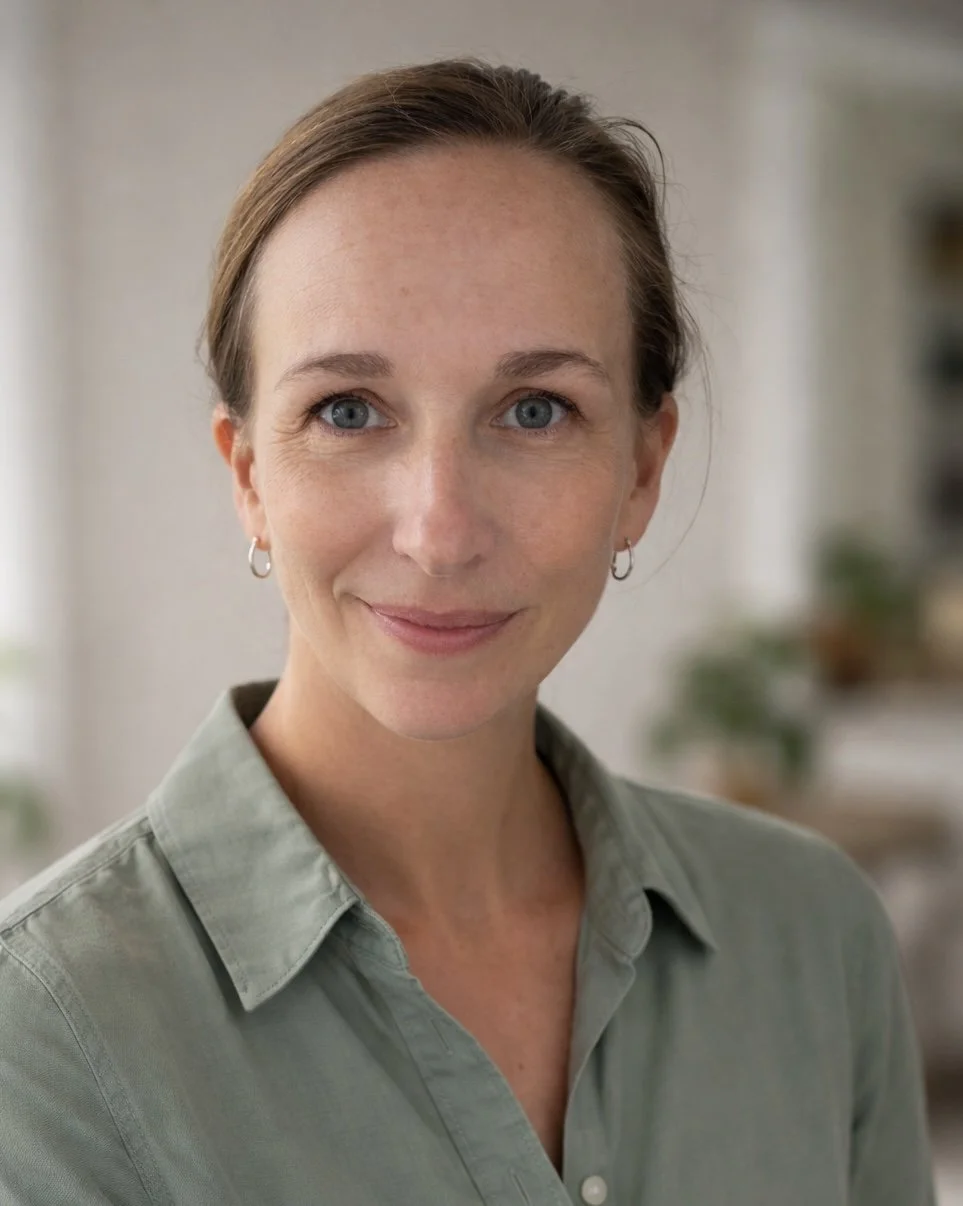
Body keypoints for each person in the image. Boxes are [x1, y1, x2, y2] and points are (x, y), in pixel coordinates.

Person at [0, 58, 936, 1206]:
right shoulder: (38, 1035)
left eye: (535, 410)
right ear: (248, 474)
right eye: (348, 411)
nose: (440, 530)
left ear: (641, 468)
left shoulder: (815, 935)